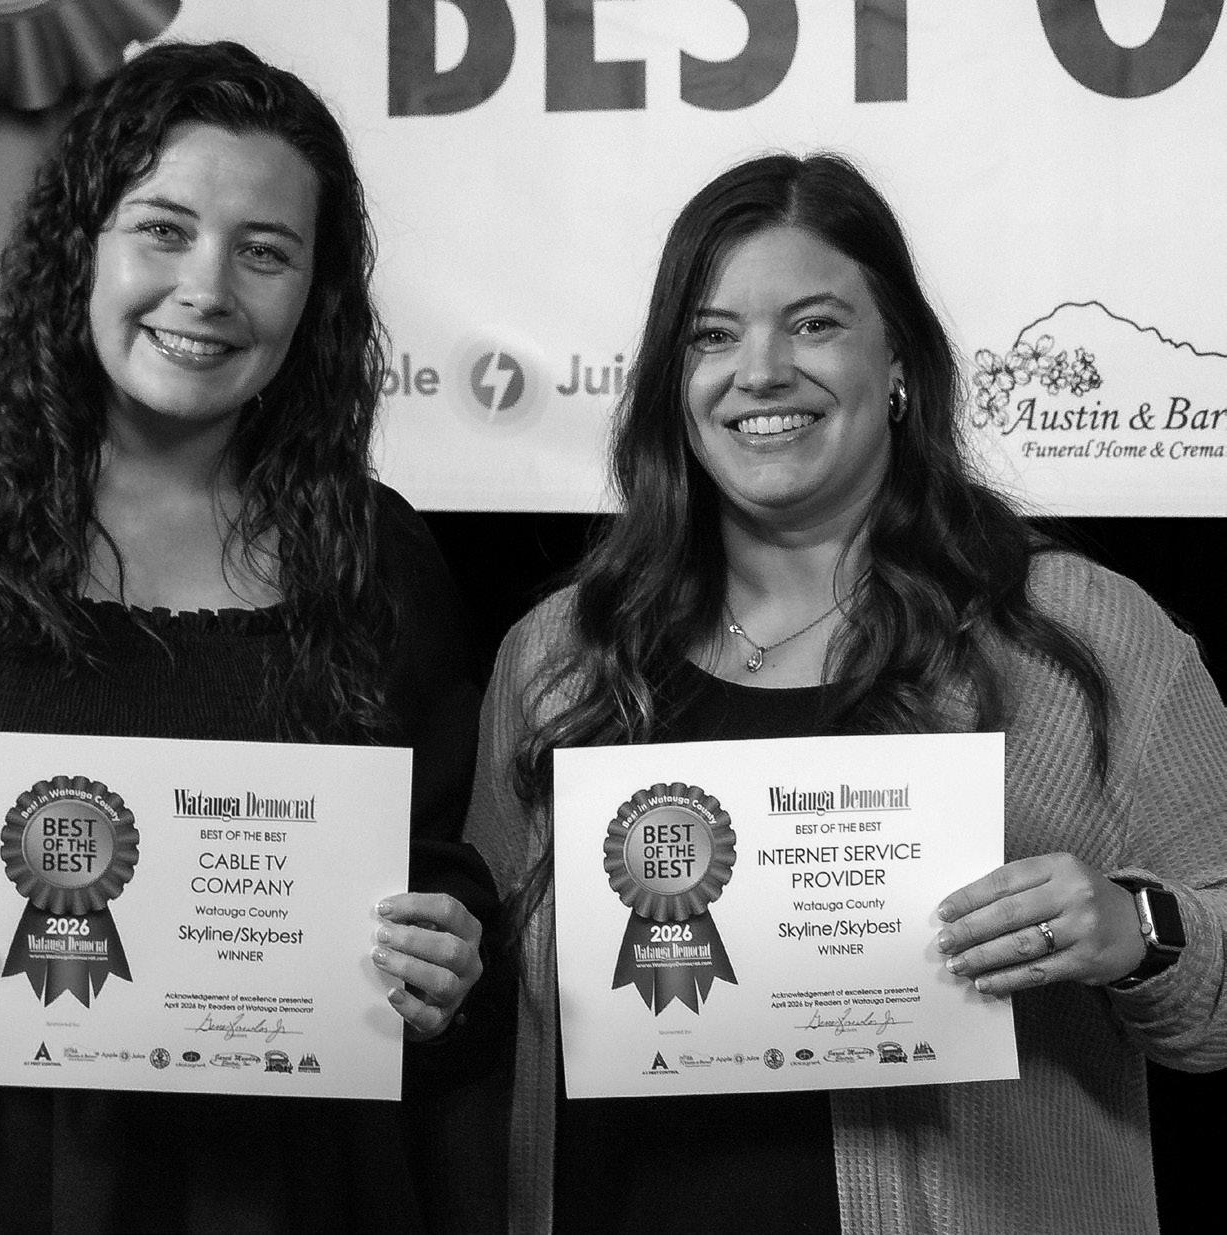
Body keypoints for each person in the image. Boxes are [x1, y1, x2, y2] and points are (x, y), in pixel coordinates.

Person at [0, 40, 501, 1234]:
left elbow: (433, 858)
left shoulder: (374, 556)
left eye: (265, 252)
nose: (207, 288)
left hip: (294, 1181)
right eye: (163, 229)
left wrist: (447, 948)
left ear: (314, 297)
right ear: (81, 248)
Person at [465, 151, 1227, 1234]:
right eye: (711, 336)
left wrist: (1135, 925)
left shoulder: (1079, 635)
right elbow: (488, 1004)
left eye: (814, 325)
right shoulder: (559, 657)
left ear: (898, 361)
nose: (760, 371)